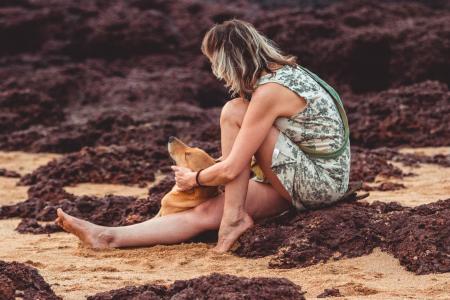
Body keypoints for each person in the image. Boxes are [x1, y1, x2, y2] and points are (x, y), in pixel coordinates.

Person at [56, 19, 350, 253]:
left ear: (228, 61)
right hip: (308, 176)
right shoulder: (284, 73)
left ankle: (233, 219)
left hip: (320, 183)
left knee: (233, 111)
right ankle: (107, 237)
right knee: (207, 211)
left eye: (214, 62)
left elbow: (235, 167)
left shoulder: (270, 92)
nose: (215, 71)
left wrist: (195, 179)